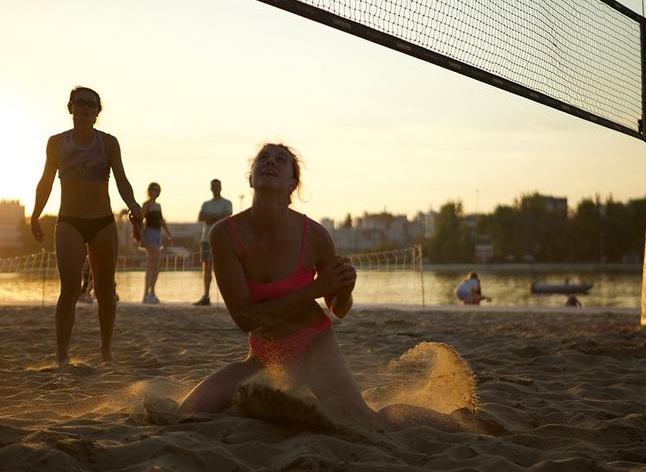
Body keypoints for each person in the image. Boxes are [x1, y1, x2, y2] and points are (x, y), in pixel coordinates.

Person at [177, 143, 492, 433]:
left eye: (281, 159)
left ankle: (457, 422)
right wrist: (314, 290)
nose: (270, 161)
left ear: (291, 187)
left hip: (315, 345)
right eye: (264, 157)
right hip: (263, 356)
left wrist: (344, 289)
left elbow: (338, 309)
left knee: (363, 424)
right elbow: (244, 318)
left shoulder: (314, 235)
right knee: (184, 413)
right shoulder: (225, 235)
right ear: (250, 178)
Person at [31, 86, 142, 365]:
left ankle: (106, 351)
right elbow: (45, 182)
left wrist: (133, 205)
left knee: (105, 290)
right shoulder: (56, 143)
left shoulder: (108, 143)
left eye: (91, 105)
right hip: (69, 221)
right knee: (69, 289)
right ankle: (62, 355)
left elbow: (121, 180)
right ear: (70, 108)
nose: (84, 108)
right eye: (79, 103)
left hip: (102, 222)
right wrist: (35, 215)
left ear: (97, 112)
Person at [193, 179, 232, 306]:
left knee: (222, 269)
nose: (215, 188)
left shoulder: (227, 203)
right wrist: (217, 217)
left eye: (217, 186)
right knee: (207, 269)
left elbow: (227, 215)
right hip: (206, 239)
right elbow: (200, 217)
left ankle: (227, 298)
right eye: (213, 186)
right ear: (211, 188)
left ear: (221, 187)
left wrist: (210, 218)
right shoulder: (206, 204)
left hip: (221, 239)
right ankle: (206, 296)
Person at [140, 182, 173, 304]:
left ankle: (151, 292)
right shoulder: (146, 205)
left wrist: (169, 234)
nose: (157, 192)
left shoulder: (158, 206)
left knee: (155, 266)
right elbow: (140, 222)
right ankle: (146, 294)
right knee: (153, 264)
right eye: (155, 189)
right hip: (149, 234)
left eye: (158, 190)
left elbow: (161, 222)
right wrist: (142, 238)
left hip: (157, 235)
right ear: (150, 191)